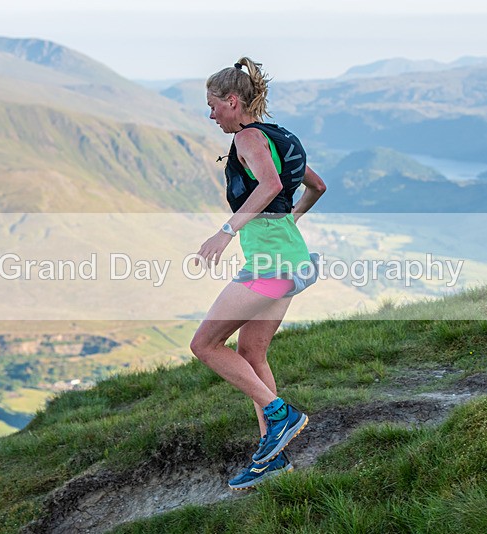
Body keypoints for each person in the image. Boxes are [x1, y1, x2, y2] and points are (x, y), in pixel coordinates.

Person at [190, 57, 327, 490]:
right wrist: (290, 222)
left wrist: (225, 232)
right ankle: (274, 457)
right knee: (252, 353)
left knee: (205, 344)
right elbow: (316, 186)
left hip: (268, 264)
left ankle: (280, 413)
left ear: (233, 101)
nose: (211, 114)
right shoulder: (278, 136)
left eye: (213, 105)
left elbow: (268, 186)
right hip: (290, 256)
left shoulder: (249, 137)